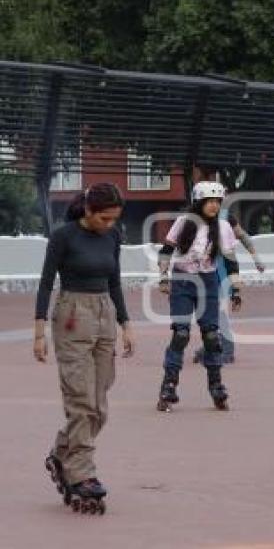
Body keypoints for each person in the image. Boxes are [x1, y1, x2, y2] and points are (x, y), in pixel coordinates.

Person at [35, 182, 135, 515]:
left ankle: (60, 454)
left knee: (99, 405)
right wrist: (38, 330)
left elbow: (115, 281)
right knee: (81, 401)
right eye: (104, 218)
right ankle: (83, 474)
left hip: (104, 312)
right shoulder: (64, 236)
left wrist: (126, 323)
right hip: (72, 315)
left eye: (114, 219)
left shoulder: (113, 237)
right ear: (89, 211)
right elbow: (47, 280)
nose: (109, 224)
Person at [156, 181, 242, 412]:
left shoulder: (223, 227)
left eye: (218, 201)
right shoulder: (184, 222)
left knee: (212, 336)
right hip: (183, 280)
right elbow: (165, 251)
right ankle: (169, 386)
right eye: (210, 201)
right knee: (181, 333)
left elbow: (231, 260)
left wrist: (236, 289)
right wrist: (163, 278)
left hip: (208, 281)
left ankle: (216, 386)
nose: (214, 206)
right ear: (199, 202)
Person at [192, 215, 265, 365]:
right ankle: (211, 346)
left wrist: (256, 258)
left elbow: (243, 237)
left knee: (219, 311)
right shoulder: (193, 218)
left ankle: (227, 349)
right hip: (200, 272)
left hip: (221, 271)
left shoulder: (225, 218)